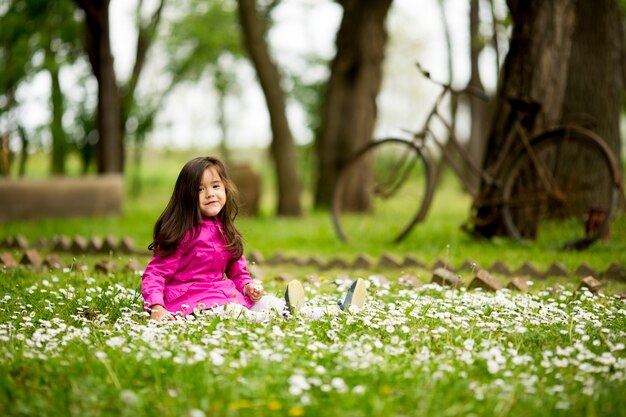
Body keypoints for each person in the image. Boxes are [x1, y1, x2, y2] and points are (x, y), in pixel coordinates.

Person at [141, 156, 367, 322]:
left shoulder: (226, 231)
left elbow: (238, 273)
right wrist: (157, 306)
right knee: (235, 314)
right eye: (200, 189)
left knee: (269, 303)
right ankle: (280, 319)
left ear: (226, 189)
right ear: (186, 196)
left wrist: (247, 286)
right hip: (192, 303)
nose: (210, 193)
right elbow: (155, 274)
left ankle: (336, 311)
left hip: (224, 294)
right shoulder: (181, 232)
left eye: (215, 186)